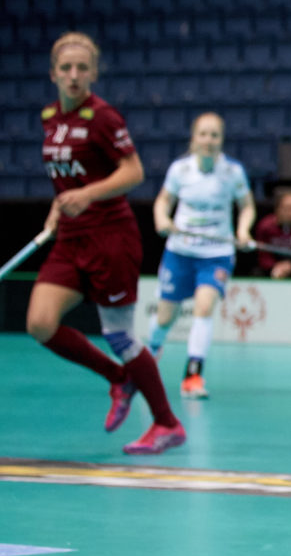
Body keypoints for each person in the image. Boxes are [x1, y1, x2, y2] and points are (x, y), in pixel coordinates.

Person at [27, 32, 185, 455]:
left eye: (82, 68)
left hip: (110, 238)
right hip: (71, 238)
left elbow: (133, 173)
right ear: (53, 74)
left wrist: (87, 195)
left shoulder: (104, 118)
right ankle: (119, 379)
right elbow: (69, 177)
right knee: (40, 323)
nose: (74, 76)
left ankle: (167, 423)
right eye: (66, 69)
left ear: (94, 73)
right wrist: (60, 207)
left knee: (119, 334)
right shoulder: (50, 118)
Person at [147, 113, 255, 399]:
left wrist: (243, 231)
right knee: (164, 317)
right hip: (180, 251)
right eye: (203, 134)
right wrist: (162, 219)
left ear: (221, 140)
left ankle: (193, 376)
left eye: (215, 135)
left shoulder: (233, 172)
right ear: (194, 138)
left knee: (204, 308)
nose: (209, 140)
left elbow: (247, 206)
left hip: (216, 253)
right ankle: (150, 353)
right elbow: (163, 201)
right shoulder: (179, 170)